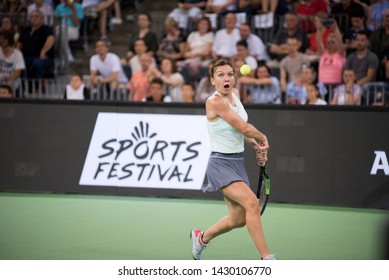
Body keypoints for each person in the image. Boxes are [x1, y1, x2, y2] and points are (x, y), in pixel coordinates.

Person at [191, 59, 275, 260]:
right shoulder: (214, 101)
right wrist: (263, 138)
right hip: (220, 164)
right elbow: (243, 127)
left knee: (238, 219)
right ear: (213, 80)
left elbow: (237, 131)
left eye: (230, 74)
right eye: (221, 75)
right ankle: (267, 258)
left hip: (237, 162)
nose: (226, 78)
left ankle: (201, 238)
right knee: (252, 204)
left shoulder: (235, 95)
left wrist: (254, 145)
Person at [17, 9, 55, 80]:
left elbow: (51, 39)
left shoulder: (46, 29)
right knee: (18, 63)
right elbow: (20, 42)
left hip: (42, 57)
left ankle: (38, 86)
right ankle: (22, 86)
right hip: (26, 56)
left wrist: (43, 51)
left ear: (42, 19)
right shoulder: (26, 29)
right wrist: (17, 54)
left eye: (36, 16)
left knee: (37, 63)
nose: (33, 18)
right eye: (31, 16)